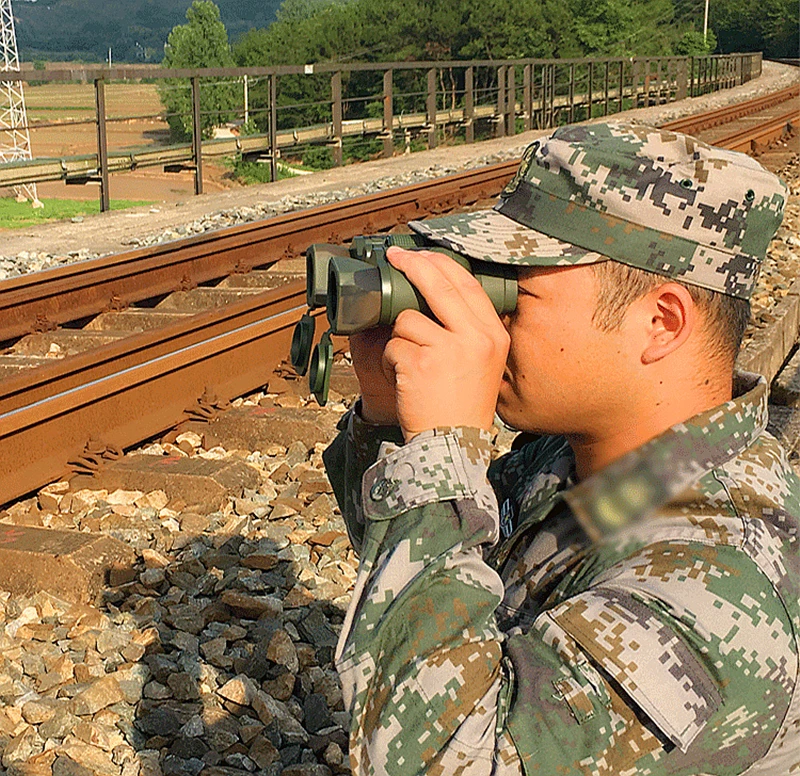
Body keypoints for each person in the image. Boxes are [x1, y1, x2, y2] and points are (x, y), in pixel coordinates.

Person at [322, 121, 799, 775]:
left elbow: (439, 762)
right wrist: (387, 412)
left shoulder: (717, 589)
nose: (491, 317)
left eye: (516, 291)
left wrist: (439, 449)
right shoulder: (574, 453)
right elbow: (430, 569)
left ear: (660, 322)